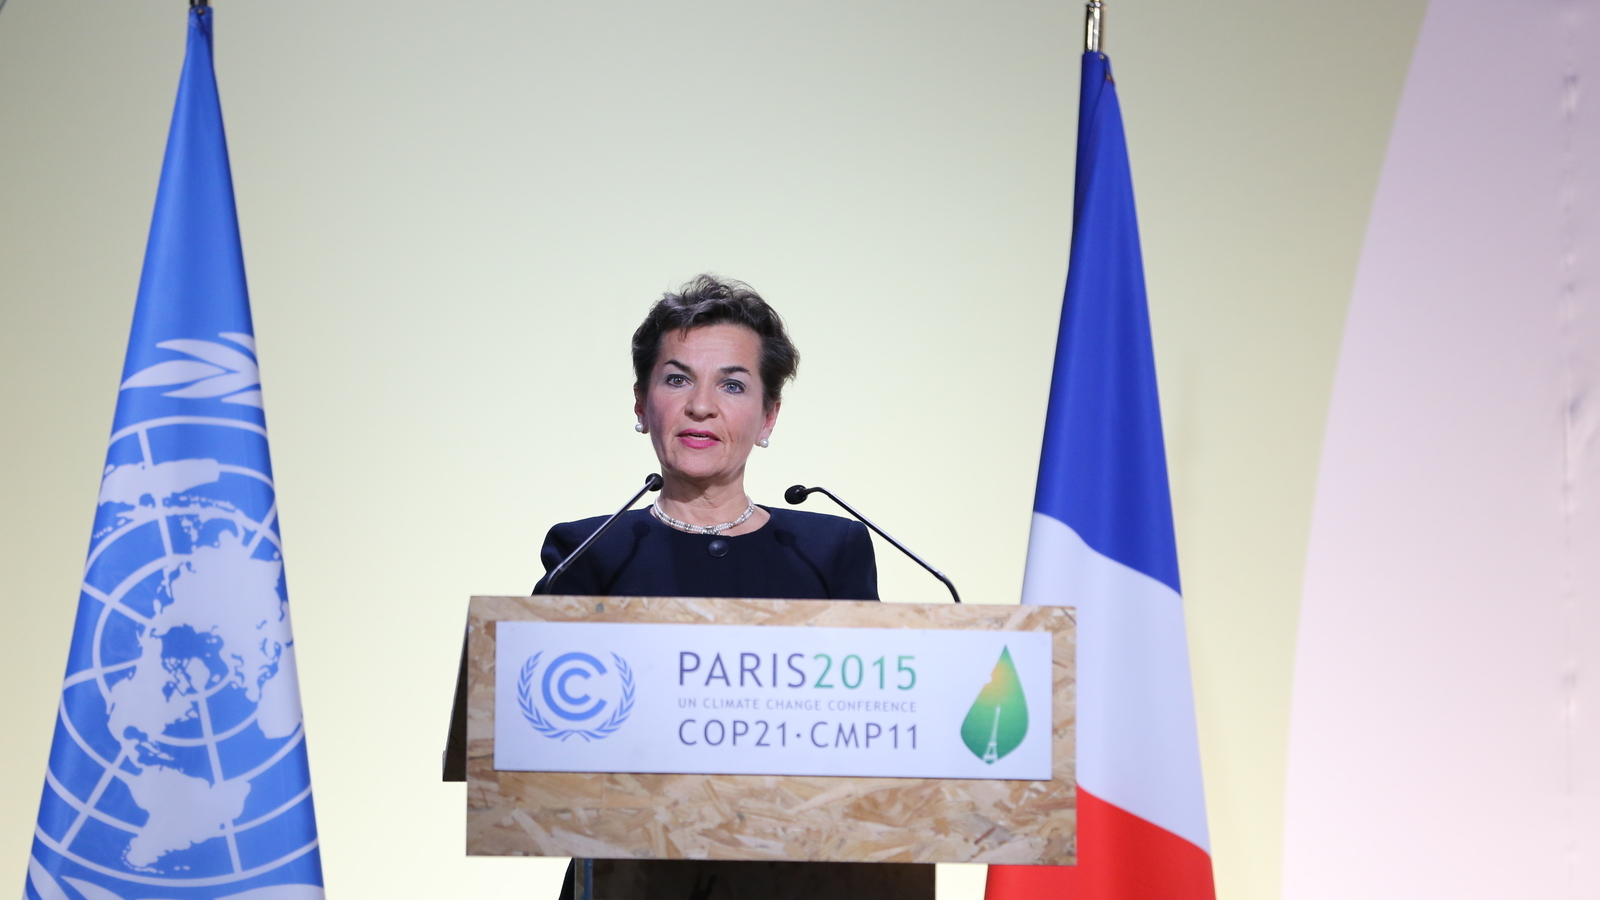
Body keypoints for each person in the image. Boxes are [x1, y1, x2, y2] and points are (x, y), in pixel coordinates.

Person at [539, 275, 931, 899]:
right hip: (630, 874)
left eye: (732, 384)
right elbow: (536, 733)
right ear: (641, 405)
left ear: (768, 416)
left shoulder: (829, 552)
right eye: (676, 379)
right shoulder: (591, 552)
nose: (701, 405)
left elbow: (877, 728)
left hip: (804, 874)